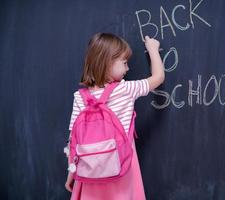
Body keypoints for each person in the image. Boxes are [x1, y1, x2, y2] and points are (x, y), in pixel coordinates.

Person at [64, 32, 164, 200]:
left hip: (90, 171)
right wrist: (153, 49)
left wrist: (72, 173)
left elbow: (72, 140)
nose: (128, 68)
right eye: (124, 63)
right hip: (121, 167)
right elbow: (158, 77)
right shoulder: (125, 90)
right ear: (107, 62)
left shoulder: (79, 97)